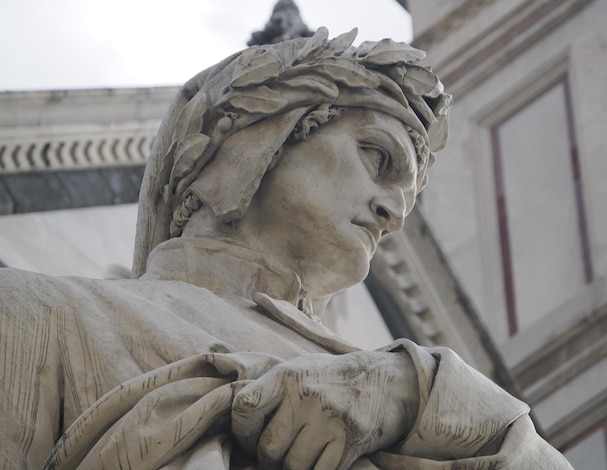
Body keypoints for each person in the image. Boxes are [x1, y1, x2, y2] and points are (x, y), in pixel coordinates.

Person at [0, 28, 572, 469]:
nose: (394, 212)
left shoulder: (417, 399)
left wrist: (410, 393)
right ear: (257, 140)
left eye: (407, 195)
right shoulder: (38, 315)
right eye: (378, 158)